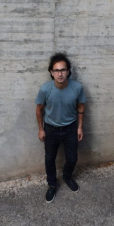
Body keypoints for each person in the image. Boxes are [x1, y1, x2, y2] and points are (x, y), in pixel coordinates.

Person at [36, 53, 86, 203]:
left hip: (70, 128)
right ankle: (52, 184)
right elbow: (39, 110)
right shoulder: (45, 89)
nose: (60, 73)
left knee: (72, 158)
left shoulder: (77, 87)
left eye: (63, 70)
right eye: (57, 70)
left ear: (68, 71)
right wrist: (40, 129)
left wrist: (80, 127)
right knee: (49, 158)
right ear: (51, 72)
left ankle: (67, 176)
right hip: (51, 129)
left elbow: (81, 106)